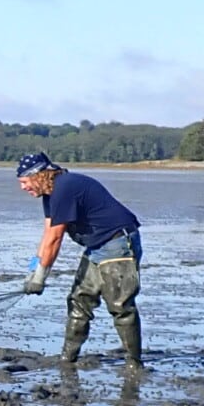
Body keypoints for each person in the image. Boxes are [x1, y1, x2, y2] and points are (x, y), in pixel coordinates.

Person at [16, 151, 143, 366]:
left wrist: (41, 277)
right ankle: (67, 359)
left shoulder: (64, 187)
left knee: (120, 306)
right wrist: (34, 269)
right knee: (79, 300)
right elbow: (47, 233)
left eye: (25, 181)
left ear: (39, 176)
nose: (23, 187)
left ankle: (134, 363)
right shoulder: (50, 194)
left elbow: (56, 238)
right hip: (96, 246)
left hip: (117, 243)